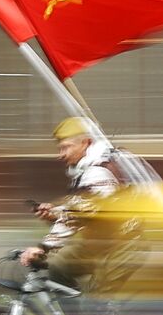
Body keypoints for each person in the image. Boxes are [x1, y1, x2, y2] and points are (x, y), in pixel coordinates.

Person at [19, 116, 121, 290]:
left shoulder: (97, 174)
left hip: (120, 246)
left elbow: (74, 217)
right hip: (100, 243)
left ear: (86, 143)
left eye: (66, 148)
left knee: (98, 308)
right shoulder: (85, 171)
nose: (61, 155)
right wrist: (55, 213)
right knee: (58, 268)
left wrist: (42, 247)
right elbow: (81, 210)